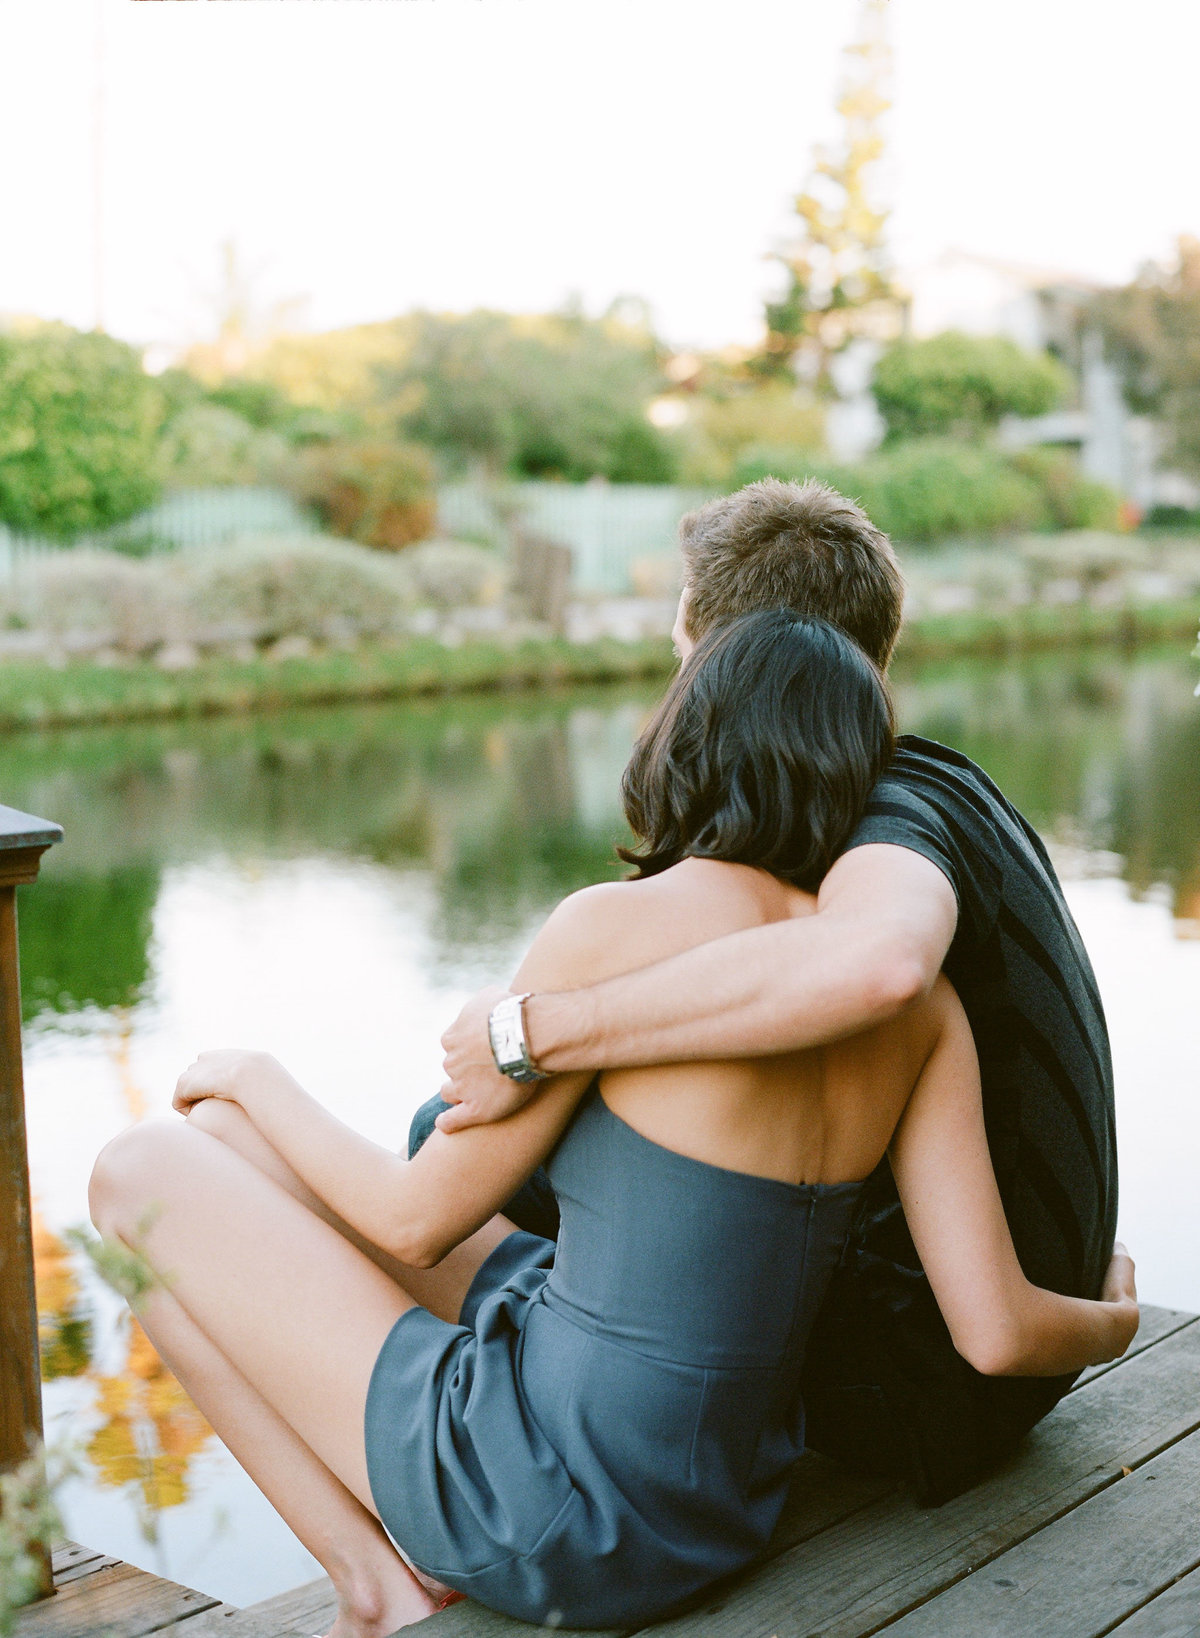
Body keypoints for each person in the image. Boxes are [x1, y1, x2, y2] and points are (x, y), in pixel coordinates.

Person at [89, 610, 1136, 1637]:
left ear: (688, 735)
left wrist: (256, 1075)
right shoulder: (921, 1013)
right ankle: (391, 1552)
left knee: (137, 1172)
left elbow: (415, 1224)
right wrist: (1115, 1319)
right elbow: (998, 1335)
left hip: (551, 1516)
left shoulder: (610, 930)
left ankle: (376, 1589)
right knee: (230, 1153)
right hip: (722, 1510)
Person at [430, 478, 1121, 1505]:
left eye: (680, 645)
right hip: (1007, 1363)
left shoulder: (894, 815)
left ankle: (511, 1469)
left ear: (723, 656)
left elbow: (879, 963)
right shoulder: (956, 782)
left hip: (916, 1386)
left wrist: (544, 1028)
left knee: (455, 1154)